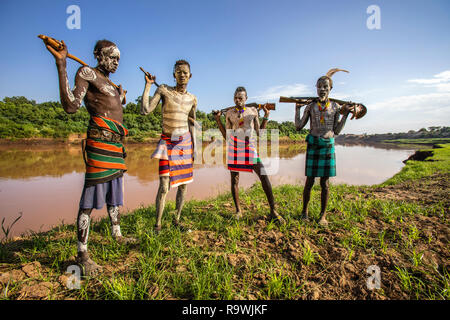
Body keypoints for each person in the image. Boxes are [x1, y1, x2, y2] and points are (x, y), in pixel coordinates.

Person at [45, 39, 134, 276]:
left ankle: (117, 234)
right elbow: (72, 106)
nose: (116, 62)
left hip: (115, 146)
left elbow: (114, 106)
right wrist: (62, 64)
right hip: (99, 144)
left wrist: (120, 95)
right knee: (89, 199)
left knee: (114, 192)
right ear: (99, 55)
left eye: (118, 58)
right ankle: (82, 253)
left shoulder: (110, 83)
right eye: (112, 57)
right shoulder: (87, 73)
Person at [214, 87, 285, 224]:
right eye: (235, 97)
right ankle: (238, 211)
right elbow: (227, 137)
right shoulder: (229, 113)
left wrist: (266, 116)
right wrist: (218, 120)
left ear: (246, 99)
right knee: (234, 179)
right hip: (234, 146)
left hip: (249, 147)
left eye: (240, 98)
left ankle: (273, 210)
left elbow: (260, 133)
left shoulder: (252, 111)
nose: (237, 100)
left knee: (263, 175)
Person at [141, 60, 197, 233]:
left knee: (183, 185)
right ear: (174, 75)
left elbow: (192, 123)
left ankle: (176, 220)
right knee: (164, 186)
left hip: (185, 144)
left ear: (190, 76)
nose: (182, 75)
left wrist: (195, 147)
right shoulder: (164, 90)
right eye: (178, 72)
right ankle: (157, 226)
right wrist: (148, 86)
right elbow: (145, 110)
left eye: (185, 72)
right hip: (167, 142)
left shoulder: (192, 99)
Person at [295, 68, 356, 226]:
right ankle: (304, 212)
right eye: (319, 87)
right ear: (316, 88)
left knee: (325, 183)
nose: (322, 89)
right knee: (309, 181)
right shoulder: (311, 106)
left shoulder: (335, 107)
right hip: (314, 144)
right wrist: (297, 109)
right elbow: (298, 126)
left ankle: (323, 215)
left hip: (328, 145)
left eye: (325, 87)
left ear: (330, 89)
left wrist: (346, 115)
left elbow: (336, 130)